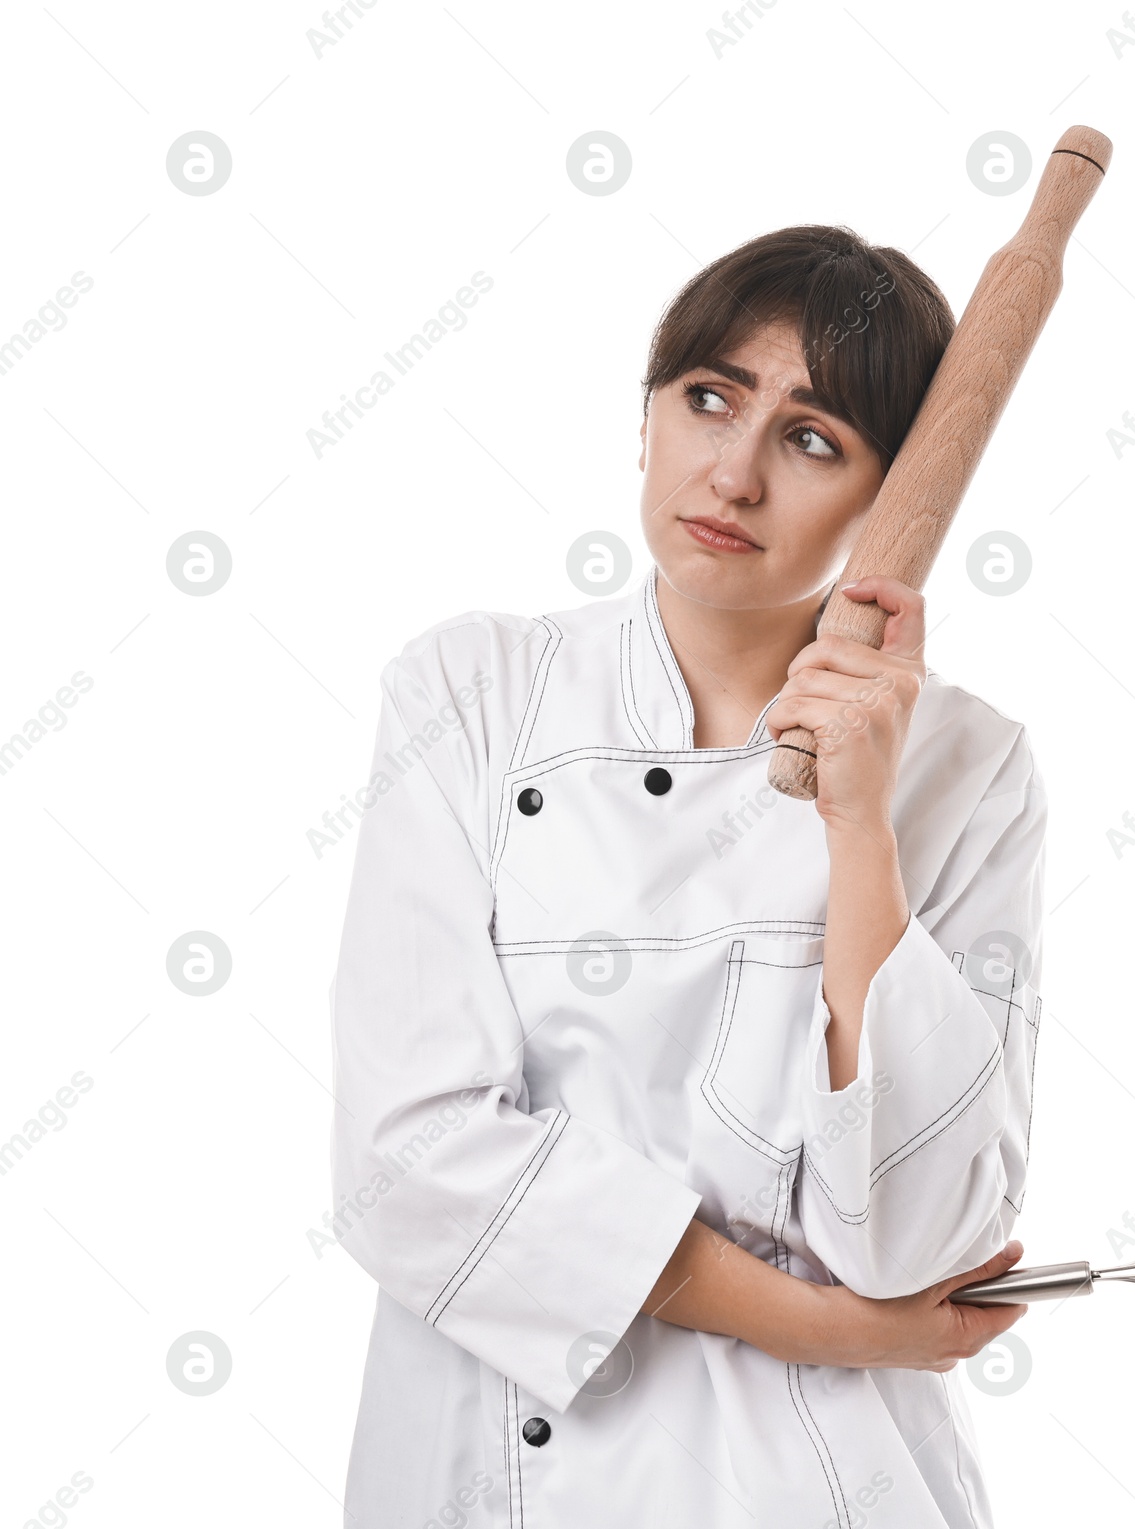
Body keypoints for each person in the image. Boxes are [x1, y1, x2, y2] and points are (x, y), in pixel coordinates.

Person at [329, 223, 1048, 1528]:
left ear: (896, 498)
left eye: (813, 437)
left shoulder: (968, 765)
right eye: (710, 397)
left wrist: (860, 827)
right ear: (648, 414)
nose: (734, 470)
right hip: (488, 1476)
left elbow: (927, 1241)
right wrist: (820, 1325)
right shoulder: (471, 693)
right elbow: (413, 1160)